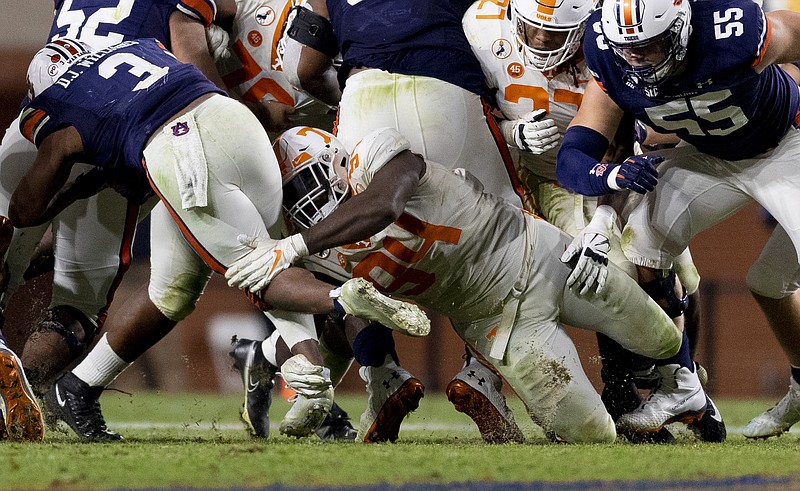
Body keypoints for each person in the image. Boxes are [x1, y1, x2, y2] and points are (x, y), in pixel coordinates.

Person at [12, 37, 430, 439]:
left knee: (260, 267)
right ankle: (81, 386)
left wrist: (70, 184)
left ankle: (337, 317)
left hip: (180, 147)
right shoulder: (134, 50)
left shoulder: (61, 100)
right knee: (179, 288)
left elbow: (24, 210)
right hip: (232, 121)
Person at [224, 125, 690, 443]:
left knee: (660, 336)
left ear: (336, 160)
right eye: (294, 195)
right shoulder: (318, 249)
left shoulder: (378, 157)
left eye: (308, 181)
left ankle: (689, 394)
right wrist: (321, 359)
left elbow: (385, 204)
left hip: (537, 254)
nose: (307, 200)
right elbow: (337, 309)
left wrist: (295, 245)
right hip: (495, 322)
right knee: (593, 434)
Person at [555, 0, 800, 438]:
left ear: (683, 28)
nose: (636, 58)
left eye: (650, 46)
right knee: (643, 239)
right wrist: (609, 173)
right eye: (628, 48)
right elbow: (573, 156)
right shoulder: (608, 52)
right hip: (711, 157)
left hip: (788, 147)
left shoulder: (731, 29)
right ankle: (682, 384)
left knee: (769, 282)